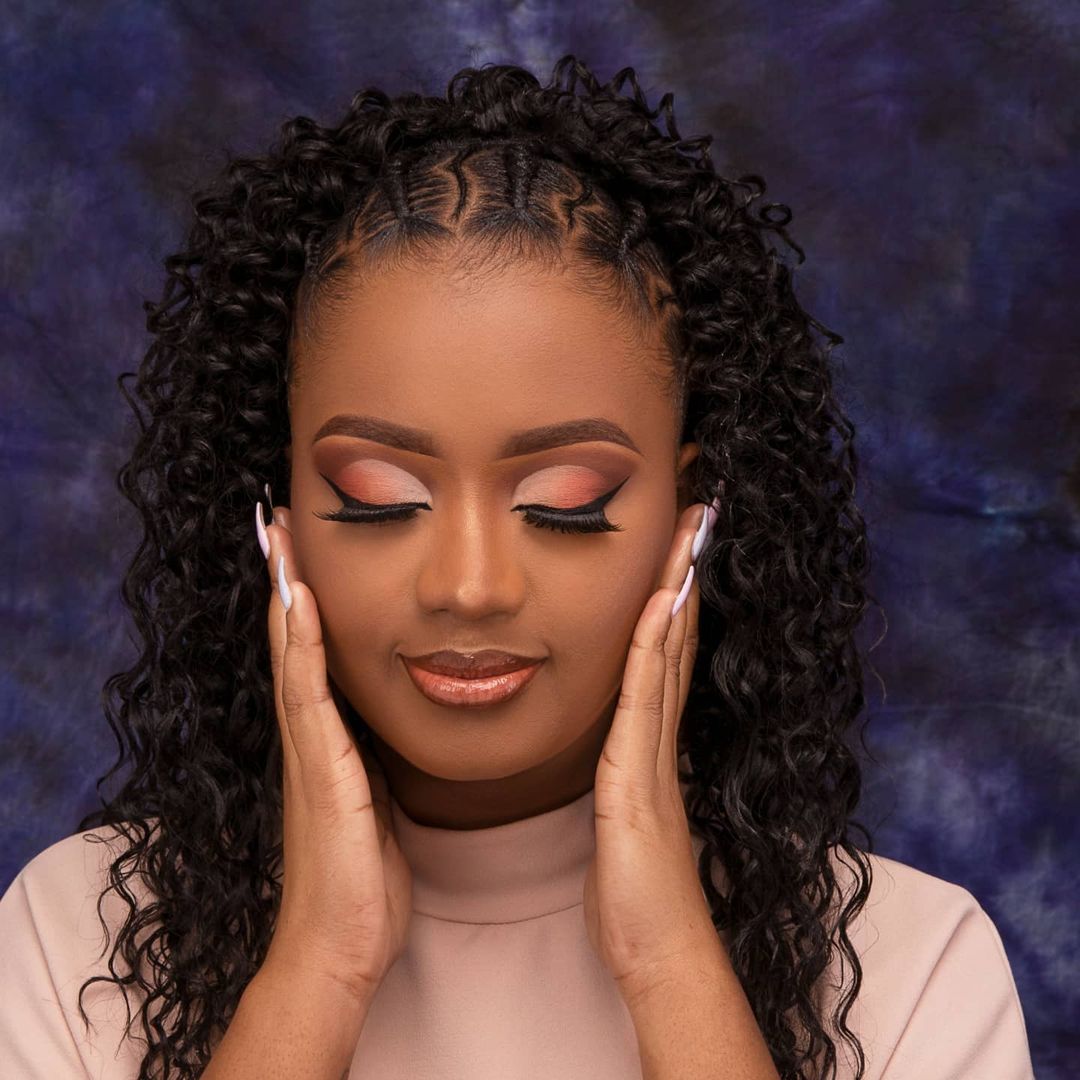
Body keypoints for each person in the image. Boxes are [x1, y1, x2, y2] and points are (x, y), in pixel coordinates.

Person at [0, 55, 1034, 1080]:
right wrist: (318, 969)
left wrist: (671, 966)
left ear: (691, 521)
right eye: (378, 497)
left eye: (564, 504)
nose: (470, 585)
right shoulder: (75, 940)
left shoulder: (910, 971)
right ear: (279, 517)